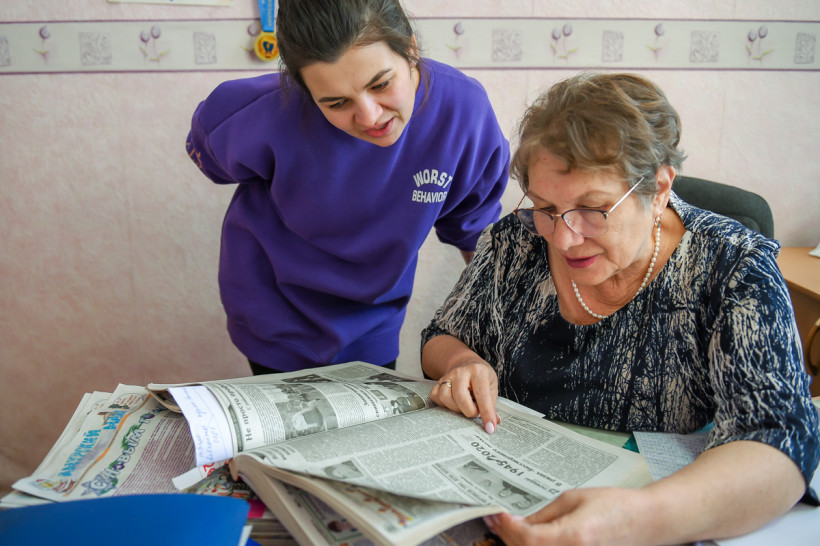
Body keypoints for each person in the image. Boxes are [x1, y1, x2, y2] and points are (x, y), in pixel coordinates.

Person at [420, 72, 820, 545]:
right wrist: (462, 361)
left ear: (660, 189)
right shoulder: (516, 242)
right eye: (546, 207)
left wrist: (637, 519)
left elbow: (779, 439)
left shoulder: (732, 267)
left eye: (593, 210)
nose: (564, 238)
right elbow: (442, 335)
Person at [185, 0, 509, 374]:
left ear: (410, 49)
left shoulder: (463, 113)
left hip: (373, 316)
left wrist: (497, 340)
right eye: (337, 102)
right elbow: (209, 147)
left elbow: (475, 231)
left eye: (381, 84)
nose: (370, 117)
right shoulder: (267, 111)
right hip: (272, 310)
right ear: (303, 90)